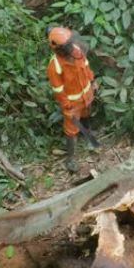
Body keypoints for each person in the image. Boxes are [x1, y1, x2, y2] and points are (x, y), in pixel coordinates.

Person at [45, 26, 99, 172]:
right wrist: (66, 105)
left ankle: (89, 137)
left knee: (87, 116)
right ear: (58, 49)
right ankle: (71, 159)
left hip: (86, 95)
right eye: (67, 46)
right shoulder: (55, 65)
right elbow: (58, 89)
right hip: (72, 103)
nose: (70, 48)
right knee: (71, 130)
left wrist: (92, 81)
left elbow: (86, 67)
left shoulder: (77, 51)